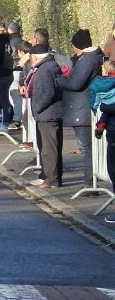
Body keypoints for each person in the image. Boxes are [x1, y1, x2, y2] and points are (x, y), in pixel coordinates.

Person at [57, 29, 103, 188]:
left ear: (77, 46)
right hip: (84, 107)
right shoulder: (93, 58)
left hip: (82, 109)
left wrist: (60, 80)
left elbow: (75, 83)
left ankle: (90, 183)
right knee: (88, 147)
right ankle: (91, 181)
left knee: (86, 148)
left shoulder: (87, 61)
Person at [26, 44, 64, 188]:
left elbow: (48, 92)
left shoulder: (44, 70)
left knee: (48, 149)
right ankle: (53, 177)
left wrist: (37, 107)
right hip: (53, 112)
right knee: (53, 147)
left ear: (35, 57)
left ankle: (51, 179)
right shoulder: (52, 65)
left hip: (47, 114)